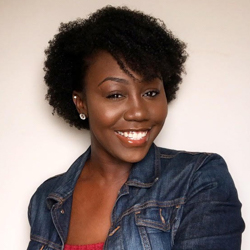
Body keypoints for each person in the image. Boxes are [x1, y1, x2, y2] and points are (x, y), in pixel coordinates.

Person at [27, 6, 244, 250]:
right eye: (115, 94)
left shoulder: (198, 179)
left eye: (151, 92)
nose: (139, 112)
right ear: (82, 103)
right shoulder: (47, 199)